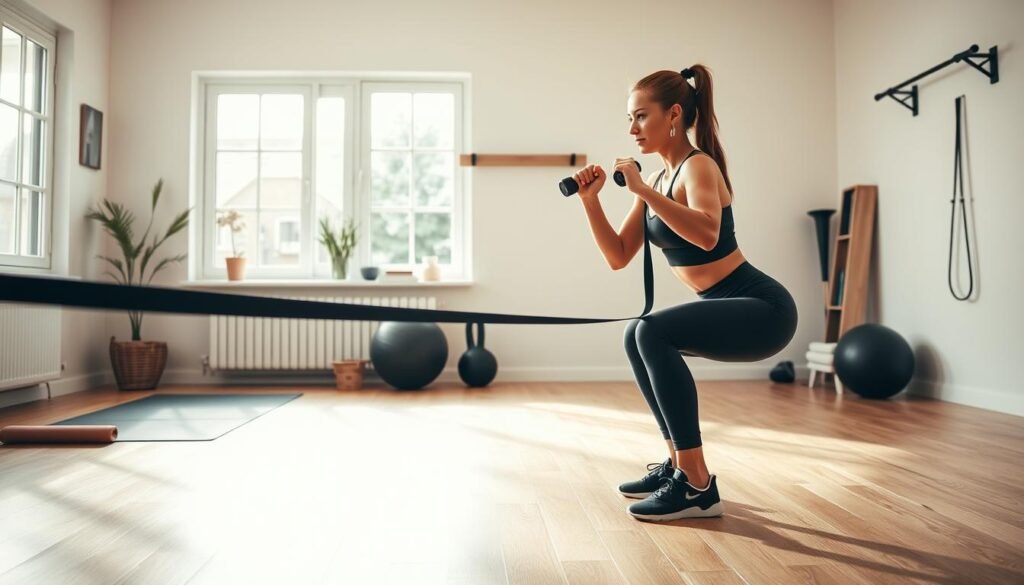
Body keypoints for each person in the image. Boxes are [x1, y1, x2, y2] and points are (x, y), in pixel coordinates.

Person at [574, 65, 798, 522]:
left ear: (673, 114)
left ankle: (697, 485)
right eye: (629, 119)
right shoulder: (657, 182)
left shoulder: (699, 167)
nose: (632, 129)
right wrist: (591, 201)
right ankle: (678, 465)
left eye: (641, 116)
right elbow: (618, 255)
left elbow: (708, 235)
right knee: (636, 333)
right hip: (723, 305)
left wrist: (641, 189)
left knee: (651, 331)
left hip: (764, 309)